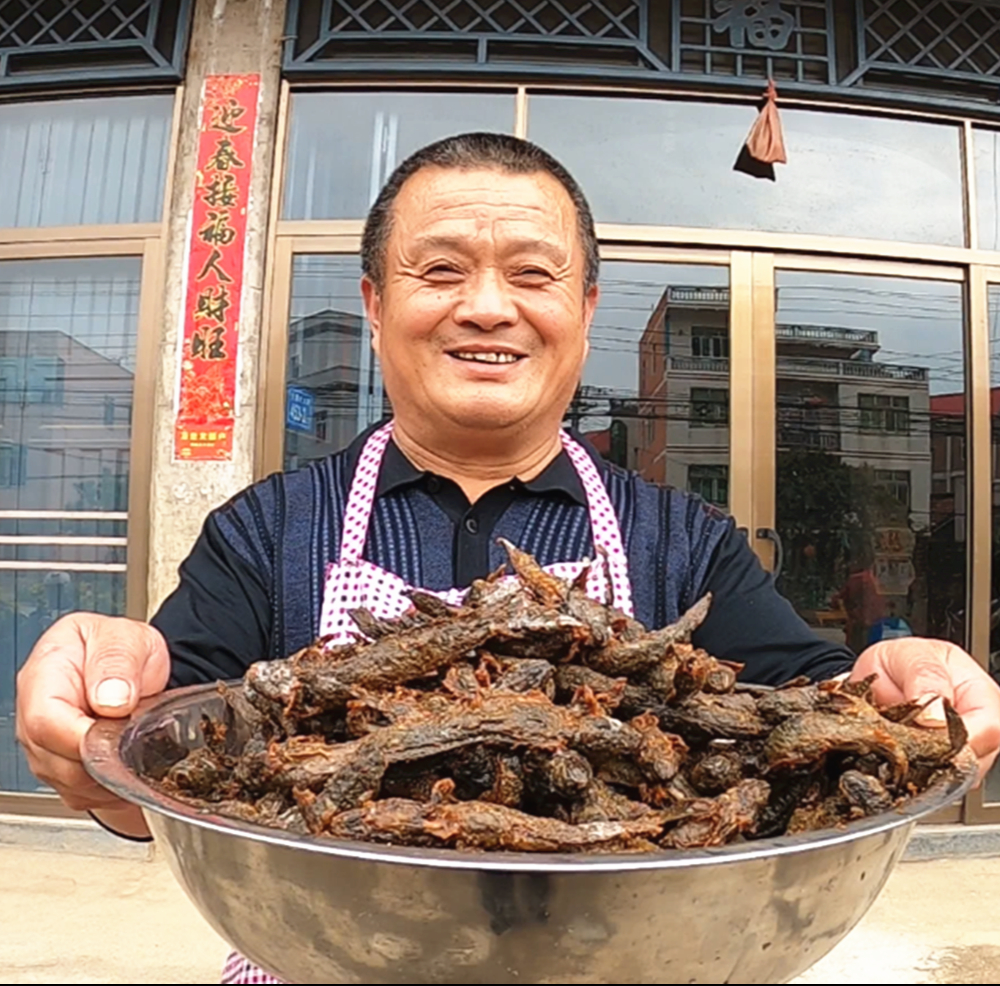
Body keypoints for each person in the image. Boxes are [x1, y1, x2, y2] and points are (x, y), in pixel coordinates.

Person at [15, 133, 1000, 985]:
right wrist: (97, 724)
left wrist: (894, 692)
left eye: (531, 274)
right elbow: (168, 777)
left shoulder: (681, 537)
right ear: (372, 301)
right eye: (440, 270)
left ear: (584, 306)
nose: (487, 306)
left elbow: (814, 706)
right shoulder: (268, 527)